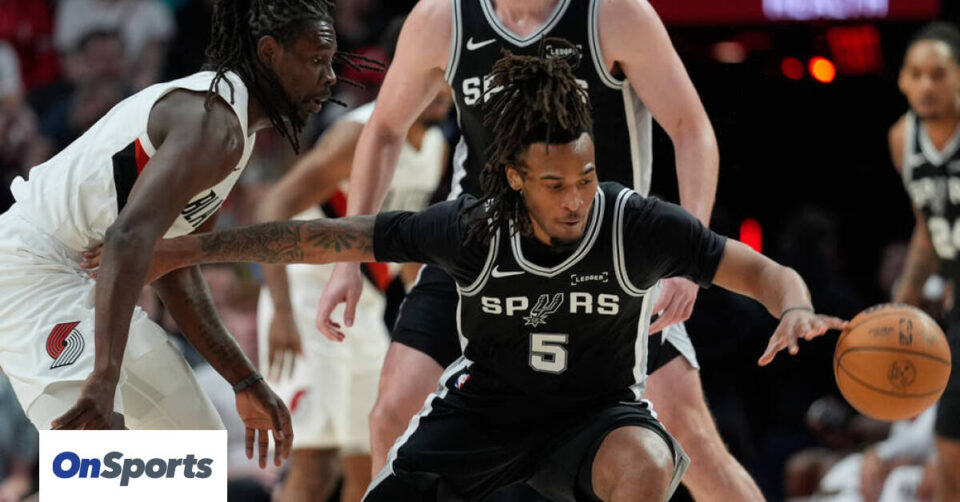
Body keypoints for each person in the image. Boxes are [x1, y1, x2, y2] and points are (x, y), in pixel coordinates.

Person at [122, 50, 845, 502]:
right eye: (555, 184)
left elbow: (764, 271)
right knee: (378, 443)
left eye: (585, 177)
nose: (576, 199)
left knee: (652, 458)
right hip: (480, 421)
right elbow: (322, 235)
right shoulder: (471, 226)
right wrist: (190, 250)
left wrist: (793, 306)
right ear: (514, 179)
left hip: (592, 422)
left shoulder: (636, 223)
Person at [314, 1, 764, 498]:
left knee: (690, 438)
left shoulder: (615, 15)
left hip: (603, 256)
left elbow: (690, 127)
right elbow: (384, 129)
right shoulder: (441, 17)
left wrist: (688, 258)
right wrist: (349, 258)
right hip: (481, 248)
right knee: (394, 412)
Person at [0, 0, 347, 468]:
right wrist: (105, 377)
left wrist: (245, 379)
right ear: (269, 52)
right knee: (94, 463)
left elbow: (176, 265)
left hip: (86, 276)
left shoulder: (232, 129)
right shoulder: (212, 122)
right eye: (317, 59)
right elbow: (127, 238)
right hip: (32, 270)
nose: (330, 76)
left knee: (192, 455)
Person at [255, 41, 451, 502]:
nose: (443, 88)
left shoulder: (438, 147)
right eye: (434, 74)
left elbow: (404, 248)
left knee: (373, 460)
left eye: (450, 76)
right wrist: (281, 309)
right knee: (315, 464)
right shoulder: (356, 136)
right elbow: (273, 206)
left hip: (365, 309)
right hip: (306, 301)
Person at [889, 21, 960, 502]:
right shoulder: (902, 138)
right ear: (902, 80)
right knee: (949, 434)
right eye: (916, 74)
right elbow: (926, 227)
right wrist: (905, 301)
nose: (926, 85)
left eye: (938, 74)